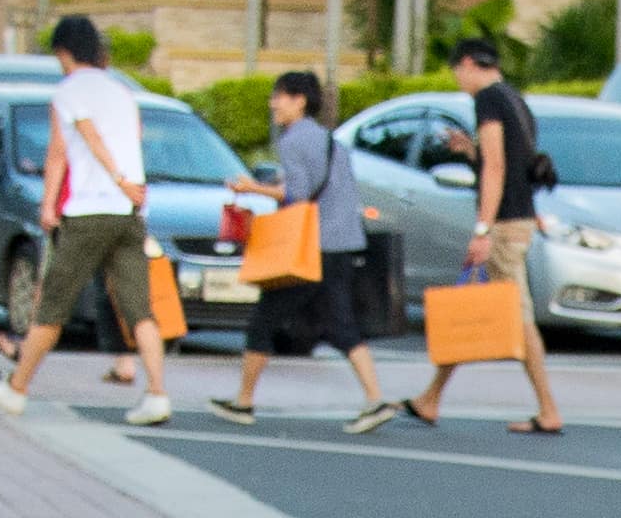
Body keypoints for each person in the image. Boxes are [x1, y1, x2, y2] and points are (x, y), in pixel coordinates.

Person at [0, 13, 168, 426]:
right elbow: (134, 138)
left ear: (63, 51)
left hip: (89, 210)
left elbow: (62, 151)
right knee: (140, 312)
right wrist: (127, 182)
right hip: (130, 213)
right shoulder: (122, 91)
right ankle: (157, 393)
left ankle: (16, 388)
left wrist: (49, 204)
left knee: (51, 308)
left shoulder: (69, 91)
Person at [406, 33, 564, 434]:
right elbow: (510, 161)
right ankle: (430, 397)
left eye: (457, 71)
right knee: (472, 309)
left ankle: (548, 409)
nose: (458, 79)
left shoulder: (488, 101)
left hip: (504, 224)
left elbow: (495, 168)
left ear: (470, 64)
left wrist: (482, 229)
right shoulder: (514, 98)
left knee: (517, 316)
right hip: (519, 217)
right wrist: (469, 151)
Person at [222, 71, 396, 431]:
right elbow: (324, 187)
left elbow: (298, 195)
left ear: (299, 100)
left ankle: (244, 402)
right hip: (342, 243)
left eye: (279, 96)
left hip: (308, 248)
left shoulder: (291, 141)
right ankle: (375, 398)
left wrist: (253, 188)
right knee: (343, 324)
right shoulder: (330, 140)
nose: (273, 104)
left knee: (263, 320)